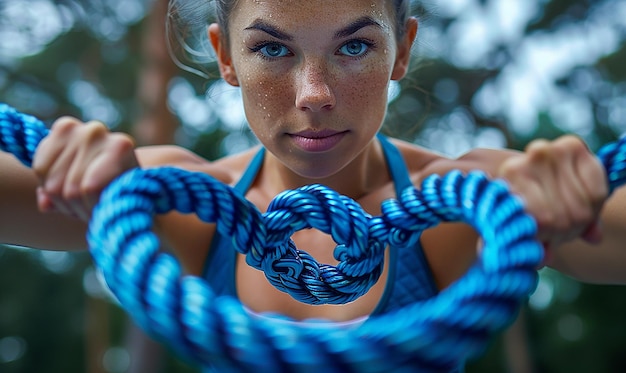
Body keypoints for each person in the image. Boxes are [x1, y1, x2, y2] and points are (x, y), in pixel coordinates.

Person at [1, 0, 625, 371]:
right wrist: (73, 170)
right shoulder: (170, 198)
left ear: (401, 51)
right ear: (226, 58)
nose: (314, 95)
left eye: (354, 45)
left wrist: (565, 201)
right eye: (272, 51)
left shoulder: (467, 198)